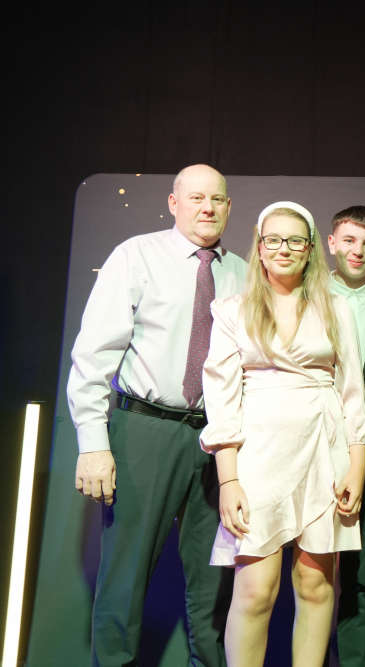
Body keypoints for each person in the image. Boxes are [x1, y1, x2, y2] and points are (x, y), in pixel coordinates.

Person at [66, 164, 245, 666]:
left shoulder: (244, 272)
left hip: (219, 441)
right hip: (145, 428)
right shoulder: (136, 255)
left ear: (229, 207)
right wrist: (93, 443)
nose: (207, 208)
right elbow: (94, 355)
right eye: (196, 198)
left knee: (215, 584)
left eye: (217, 199)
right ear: (173, 203)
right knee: (124, 577)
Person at [199, 201, 365, 666]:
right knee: (255, 590)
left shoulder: (335, 309)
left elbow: (352, 392)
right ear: (259, 247)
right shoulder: (233, 311)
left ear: (311, 249)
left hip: (324, 452)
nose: (284, 248)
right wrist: (229, 480)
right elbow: (222, 401)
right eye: (273, 239)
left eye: (295, 240)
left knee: (316, 585)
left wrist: (356, 467)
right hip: (258, 458)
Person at [326, 205, 365, 667]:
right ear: (331, 243)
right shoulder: (306, 295)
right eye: (348, 240)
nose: (357, 251)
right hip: (315, 445)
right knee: (305, 576)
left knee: (359, 576)